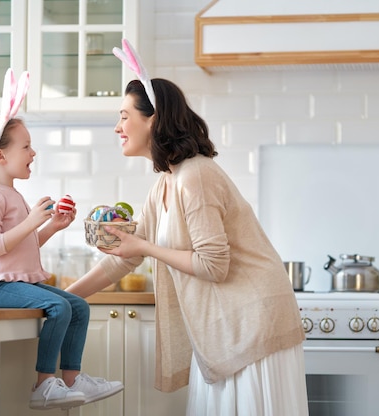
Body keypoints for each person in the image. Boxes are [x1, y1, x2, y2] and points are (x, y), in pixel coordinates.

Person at [65, 50, 309, 414]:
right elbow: (124, 258)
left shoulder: (195, 175)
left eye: (124, 117)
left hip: (254, 324)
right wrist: (61, 300)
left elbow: (214, 265)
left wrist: (145, 245)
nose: (117, 128)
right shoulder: (166, 183)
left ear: (153, 120)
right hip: (228, 328)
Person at [0, 69, 123, 411]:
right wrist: (29, 221)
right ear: (1, 156)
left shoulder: (11, 193)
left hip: (11, 280)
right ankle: (43, 384)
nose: (33, 153)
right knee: (59, 306)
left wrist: (51, 226)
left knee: (78, 306)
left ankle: (71, 378)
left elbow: (21, 247)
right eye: (26, 147)